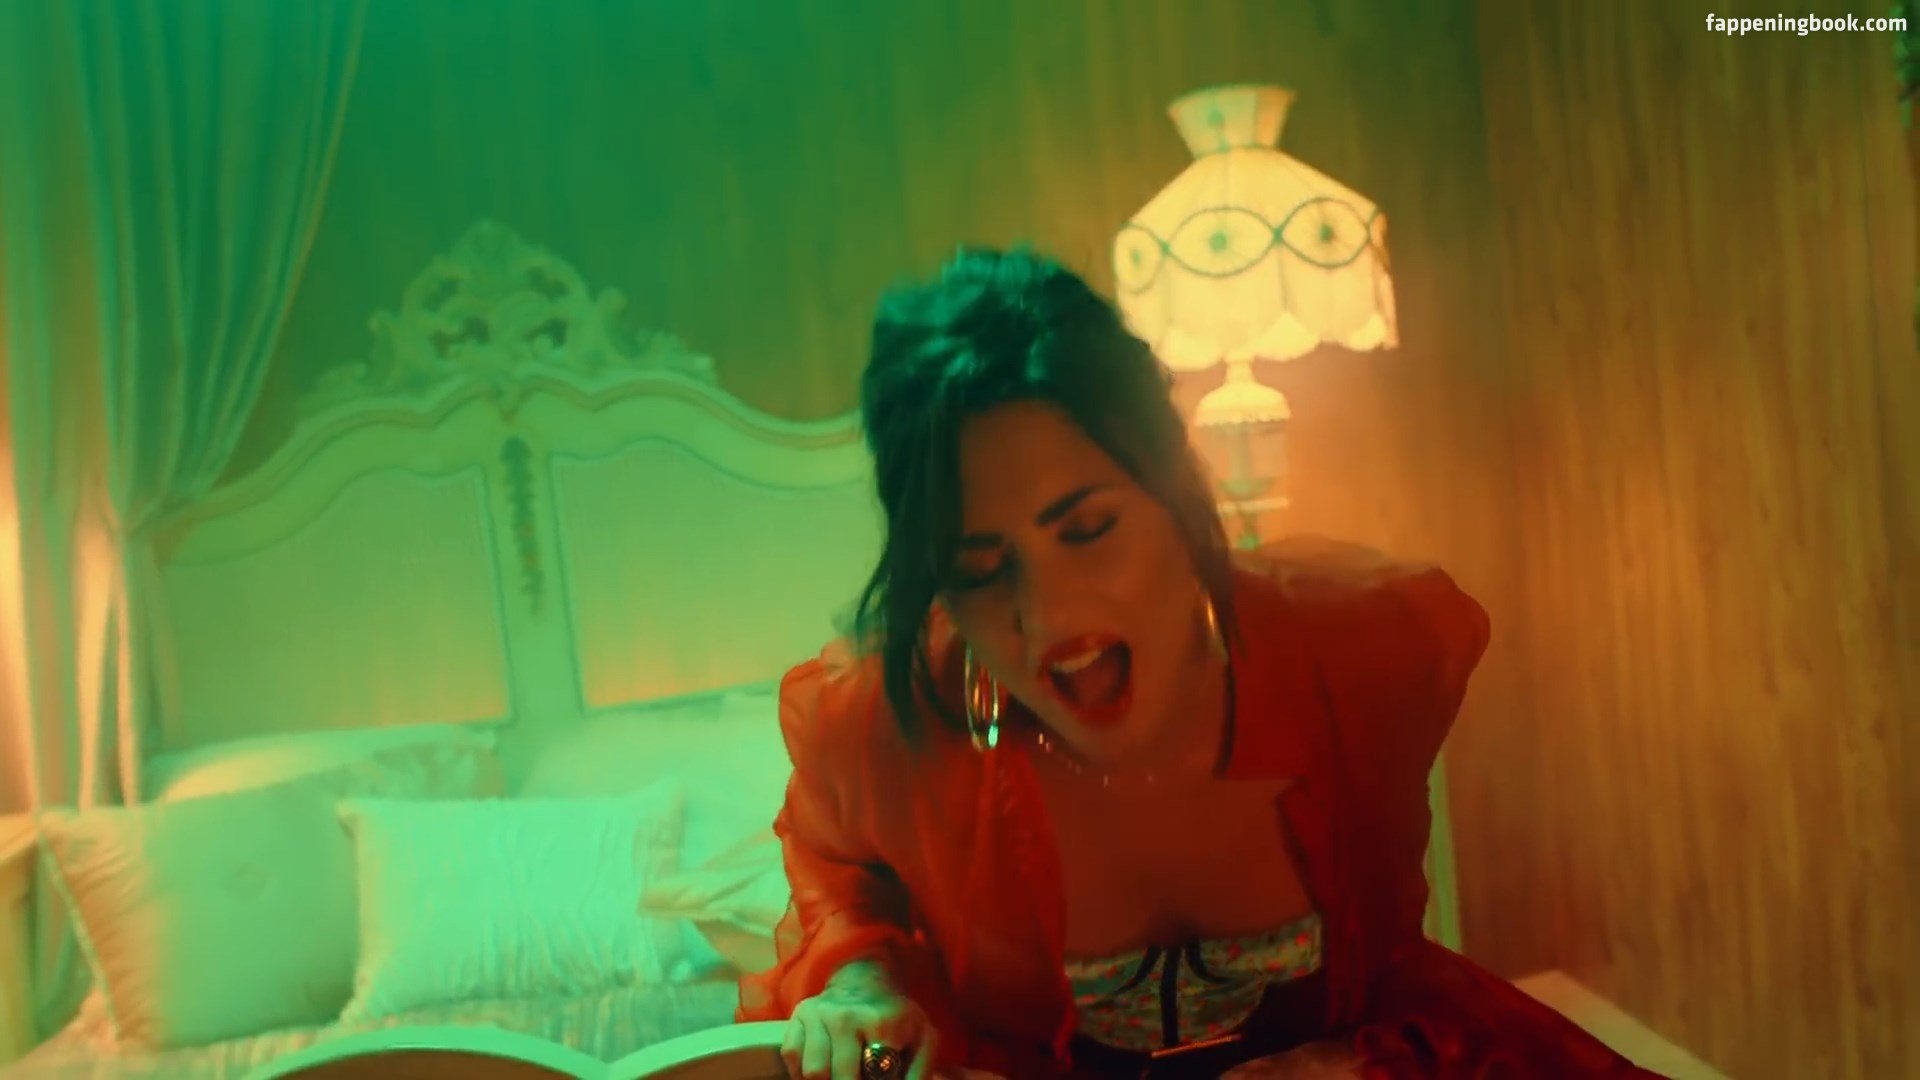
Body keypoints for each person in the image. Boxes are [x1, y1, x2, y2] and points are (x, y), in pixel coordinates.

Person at [736, 248, 1658, 1079]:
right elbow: (838, 868)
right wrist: (860, 980)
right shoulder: (883, 727)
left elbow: (1393, 961)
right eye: (980, 570)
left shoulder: (1361, 653)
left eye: (1088, 529)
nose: (1048, 614)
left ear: (1176, 493)